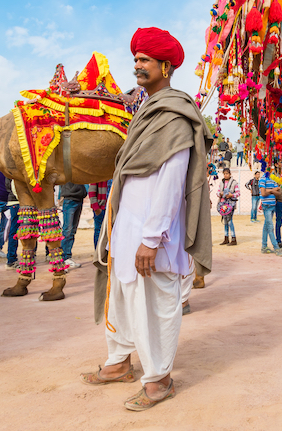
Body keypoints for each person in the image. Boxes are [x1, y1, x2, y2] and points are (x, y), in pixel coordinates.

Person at [87, 27, 212, 412]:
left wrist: (151, 238)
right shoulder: (145, 112)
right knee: (123, 297)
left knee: (155, 303)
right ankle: (120, 361)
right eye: (136, 58)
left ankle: (159, 379)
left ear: (166, 66)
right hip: (126, 226)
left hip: (153, 232)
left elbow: (173, 181)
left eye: (145, 59)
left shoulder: (173, 115)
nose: (137, 65)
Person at [59, 182, 86, 269]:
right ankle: (63, 259)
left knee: (72, 231)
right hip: (69, 199)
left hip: (79, 199)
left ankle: (68, 256)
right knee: (67, 230)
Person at [259, 170, 282, 256]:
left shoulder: (273, 179)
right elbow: (263, 193)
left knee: (266, 226)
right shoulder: (262, 179)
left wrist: (269, 190)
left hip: (272, 206)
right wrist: (273, 190)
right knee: (270, 227)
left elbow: (279, 193)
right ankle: (276, 247)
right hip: (267, 206)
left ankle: (264, 246)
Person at [217, 168, 239, 246]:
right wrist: (220, 194)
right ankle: (226, 238)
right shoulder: (221, 182)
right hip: (223, 204)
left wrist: (231, 195)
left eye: (227, 173)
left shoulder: (234, 183)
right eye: (224, 173)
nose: (225, 175)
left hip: (230, 204)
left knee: (229, 221)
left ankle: (233, 238)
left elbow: (238, 193)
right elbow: (218, 192)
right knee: (225, 221)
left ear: (230, 174)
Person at [88, 181, 111, 252]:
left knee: (111, 232)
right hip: (101, 208)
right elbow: (91, 192)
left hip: (111, 209)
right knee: (99, 231)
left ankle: (107, 255)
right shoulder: (98, 175)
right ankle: (98, 254)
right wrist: (96, 207)